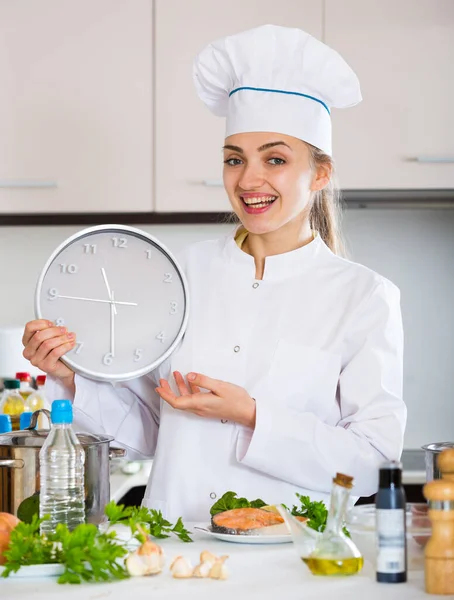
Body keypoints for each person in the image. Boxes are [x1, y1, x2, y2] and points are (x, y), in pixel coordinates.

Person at [22, 24, 406, 522]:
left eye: (275, 159)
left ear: (321, 173)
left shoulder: (363, 296)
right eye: (234, 159)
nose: (249, 180)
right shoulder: (177, 274)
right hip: (174, 549)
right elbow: (150, 430)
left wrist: (251, 415)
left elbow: (374, 465)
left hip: (291, 559)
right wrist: (70, 377)